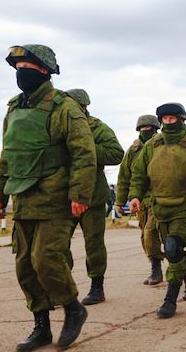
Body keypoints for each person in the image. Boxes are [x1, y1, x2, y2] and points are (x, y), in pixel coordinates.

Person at [0, 44, 97, 350]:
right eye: (18, 66)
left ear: (45, 71)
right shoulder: (14, 109)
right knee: (24, 266)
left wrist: (80, 193)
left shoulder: (65, 107)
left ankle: (73, 308)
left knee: (46, 259)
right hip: (23, 198)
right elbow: (8, 156)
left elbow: (84, 153)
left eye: (28, 66)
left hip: (56, 197)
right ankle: (41, 328)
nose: (21, 72)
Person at [128, 103, 186, 319]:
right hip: (159, 205)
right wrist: (135, 196)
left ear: (181, 119)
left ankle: (170, 299)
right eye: (165, 119)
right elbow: (140, 173)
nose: (169, 122)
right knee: (172, 252)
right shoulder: (153, 145)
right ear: (161, 121)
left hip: (184, 205)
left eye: (173, 118)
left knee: (173, 246)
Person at [66, 89, 124, 305]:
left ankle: (96, 287)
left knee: (94, 244)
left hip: (92, 197)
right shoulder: (57, 125)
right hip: (63, 195)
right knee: (57, 245)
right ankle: (62, 286)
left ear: (82, 106)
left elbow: (116, 153)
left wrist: (86, 149)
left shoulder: (97, 127)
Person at [116, 115, 165, 286]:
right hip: (141, 201)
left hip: (162, 198)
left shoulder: (162, 146)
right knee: (145, 235)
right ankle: (156, 266)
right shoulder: (133, 151)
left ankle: (171, 270)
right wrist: (120, 201)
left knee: (153, 234)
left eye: (149, 128)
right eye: (142, 128)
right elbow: (124, 177)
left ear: (156, 129)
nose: (145, 131)